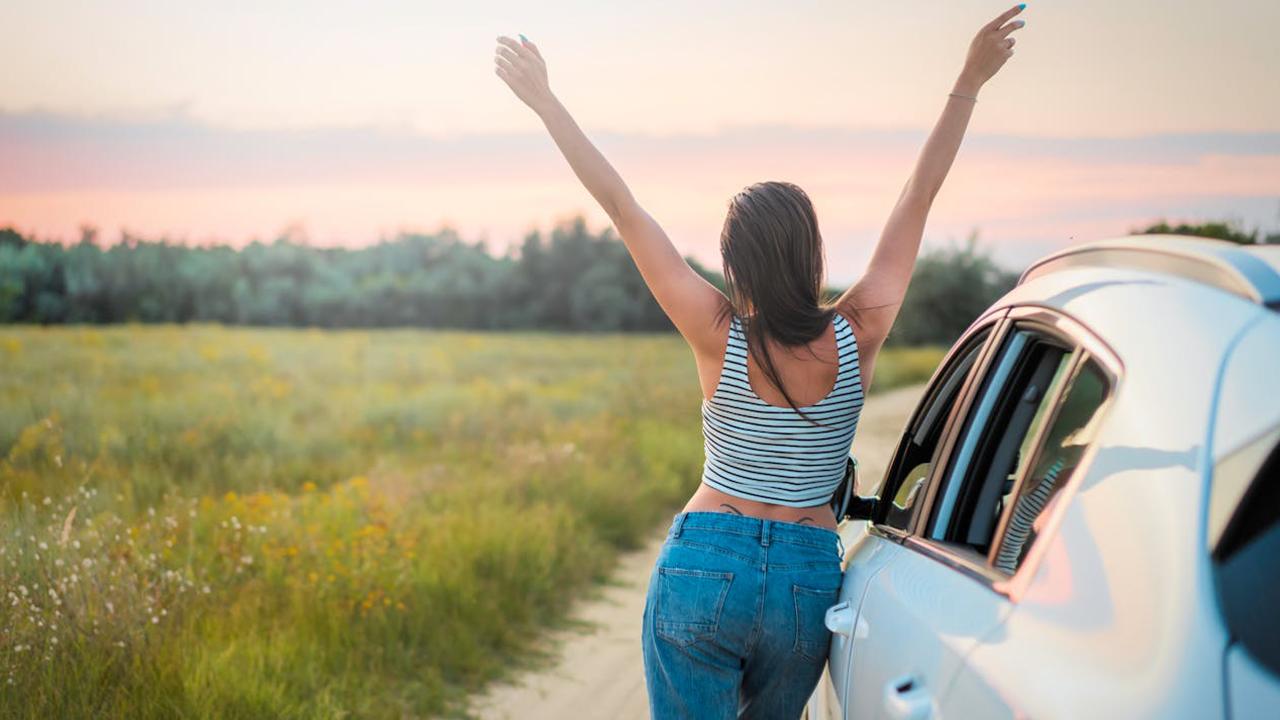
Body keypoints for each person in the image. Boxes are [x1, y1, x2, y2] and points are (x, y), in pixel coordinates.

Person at [493, 5, 1024, 717]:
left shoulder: (716, 331)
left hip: (706, 557)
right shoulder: (857, 331)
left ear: (733, 259)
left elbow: (621, 207)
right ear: (813, 253)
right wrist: (969, 79)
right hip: (806, 580)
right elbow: (917, 198)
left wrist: (546, 102)